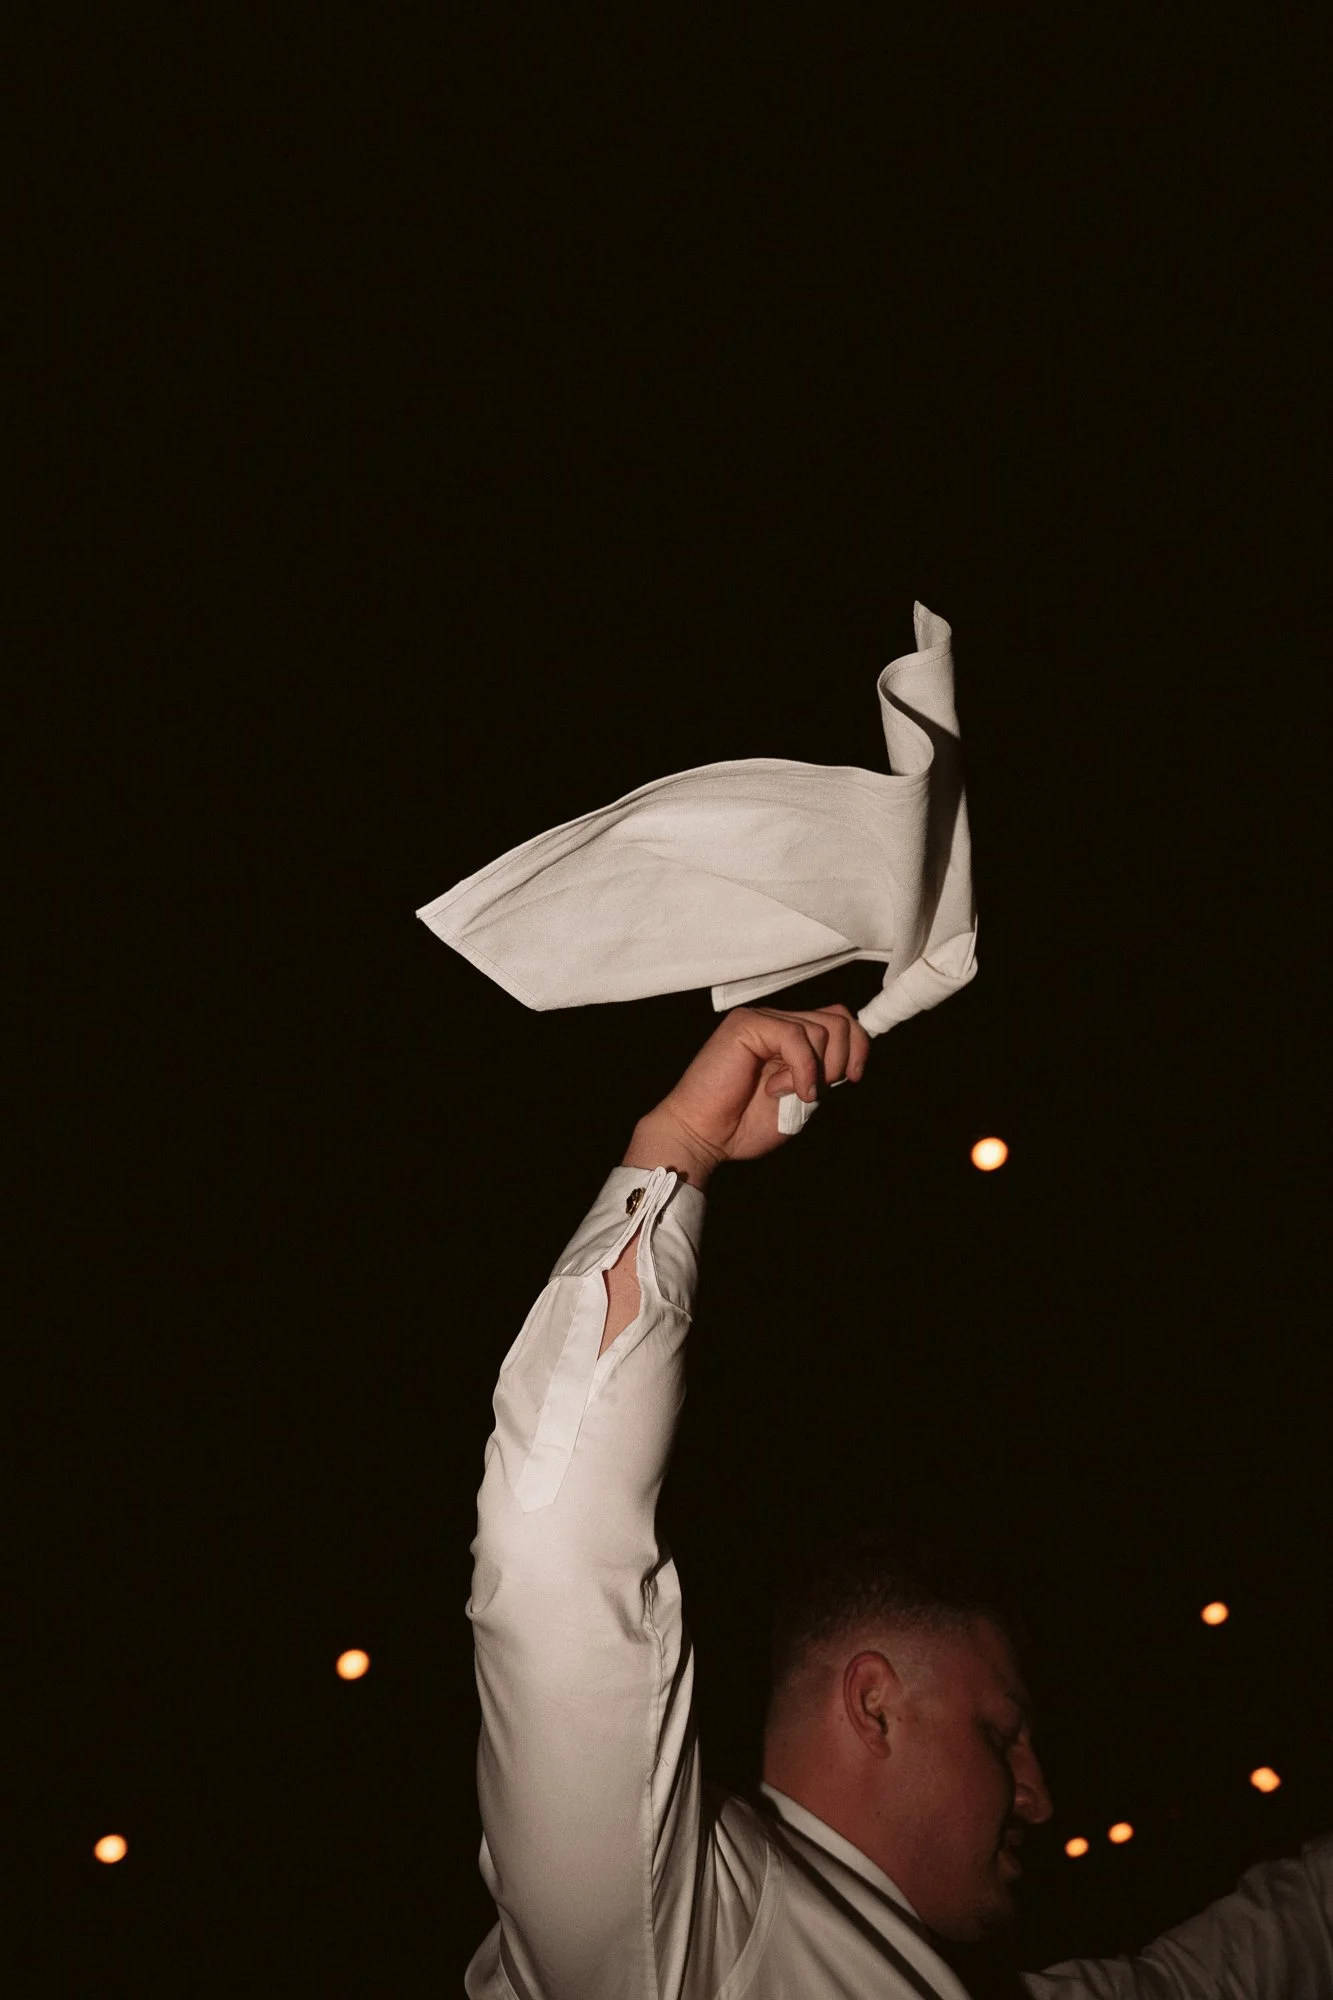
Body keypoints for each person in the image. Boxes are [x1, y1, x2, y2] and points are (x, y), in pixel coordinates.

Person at [464, 1004, 1332, 1996]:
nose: (1038, 1796)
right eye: (1000, 1734)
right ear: (872, 1703)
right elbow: (556, 1561)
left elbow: (1261, 1946)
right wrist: (679, 1146)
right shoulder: (681, 1930)